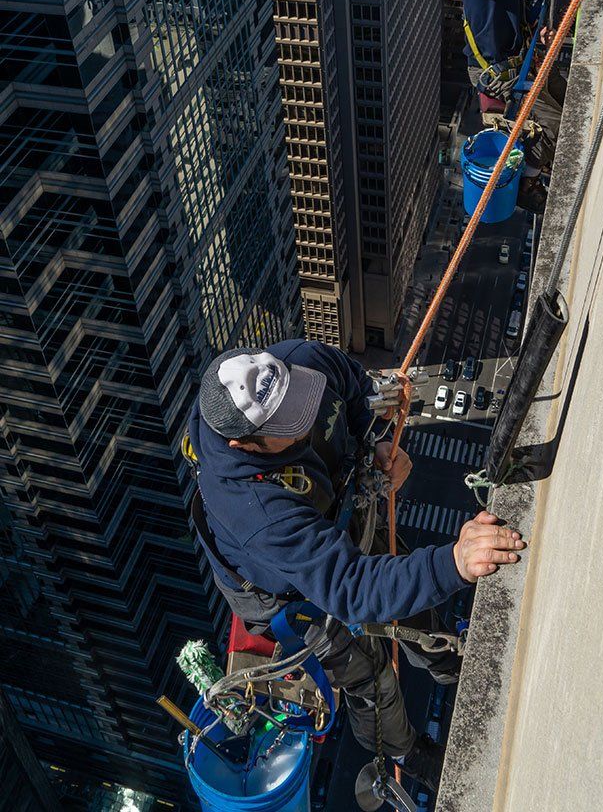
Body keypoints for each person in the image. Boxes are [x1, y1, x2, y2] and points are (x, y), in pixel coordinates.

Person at [188, 339, 525, 793]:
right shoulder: (253, 509)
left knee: (408, 597)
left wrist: (378, 436)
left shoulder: (298, 364)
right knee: (369, 676)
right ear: (243, 444)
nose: (304, 421)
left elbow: (349, 383)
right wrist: (453, 562)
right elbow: (351, 588)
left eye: (298, 400)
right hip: (292, 591)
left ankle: (448, 661)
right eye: (288, 424)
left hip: (333, 519)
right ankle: (403, 749)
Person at [462, 0, 585, 213]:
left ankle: (541, 166)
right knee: (558, 124)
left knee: (568, 96)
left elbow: (515, 11)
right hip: (499, 75)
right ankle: (528, 181)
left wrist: (536, 32)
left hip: (518, 60)